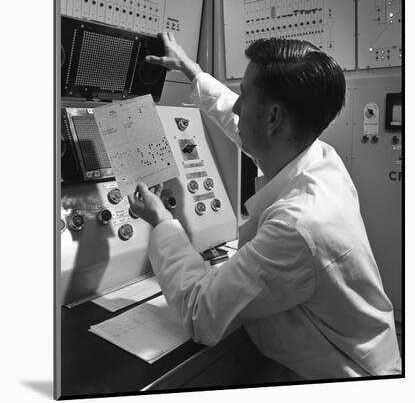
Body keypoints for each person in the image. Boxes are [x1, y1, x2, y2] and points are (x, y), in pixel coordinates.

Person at [128, 32, 401, 380]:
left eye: (244, 94)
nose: (237, 106)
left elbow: (202, 313)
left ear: (273, 118)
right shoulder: (318, 157)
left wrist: (162, 221)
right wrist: (193, 73)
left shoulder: (300, 224)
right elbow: (239, 120)